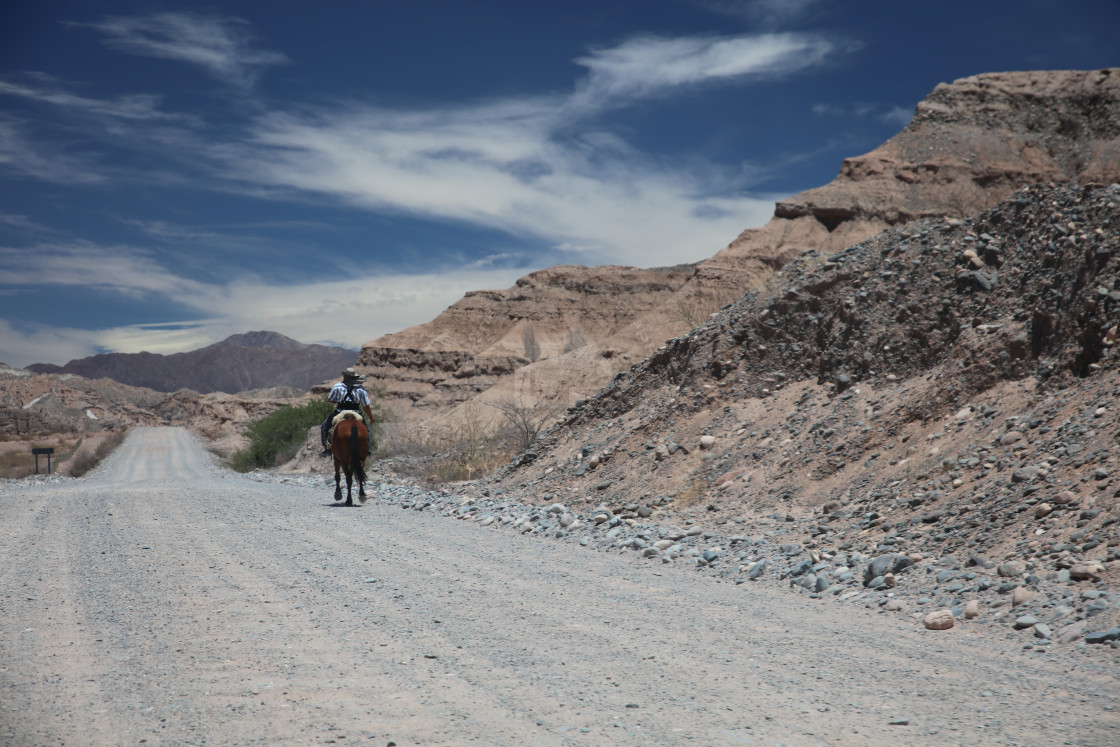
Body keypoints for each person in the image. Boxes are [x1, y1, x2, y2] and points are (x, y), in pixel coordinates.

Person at [320, 368, 375, 455]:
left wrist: (337, 401)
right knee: (367, 429)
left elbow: (330, 399)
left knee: (324, 426)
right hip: (356, 412)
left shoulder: (337, 386)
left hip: (340, 412)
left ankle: (327, 449)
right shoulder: (361, 389)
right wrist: (371, 417)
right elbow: (366, 406)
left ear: (345, 377)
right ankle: (367, 449)